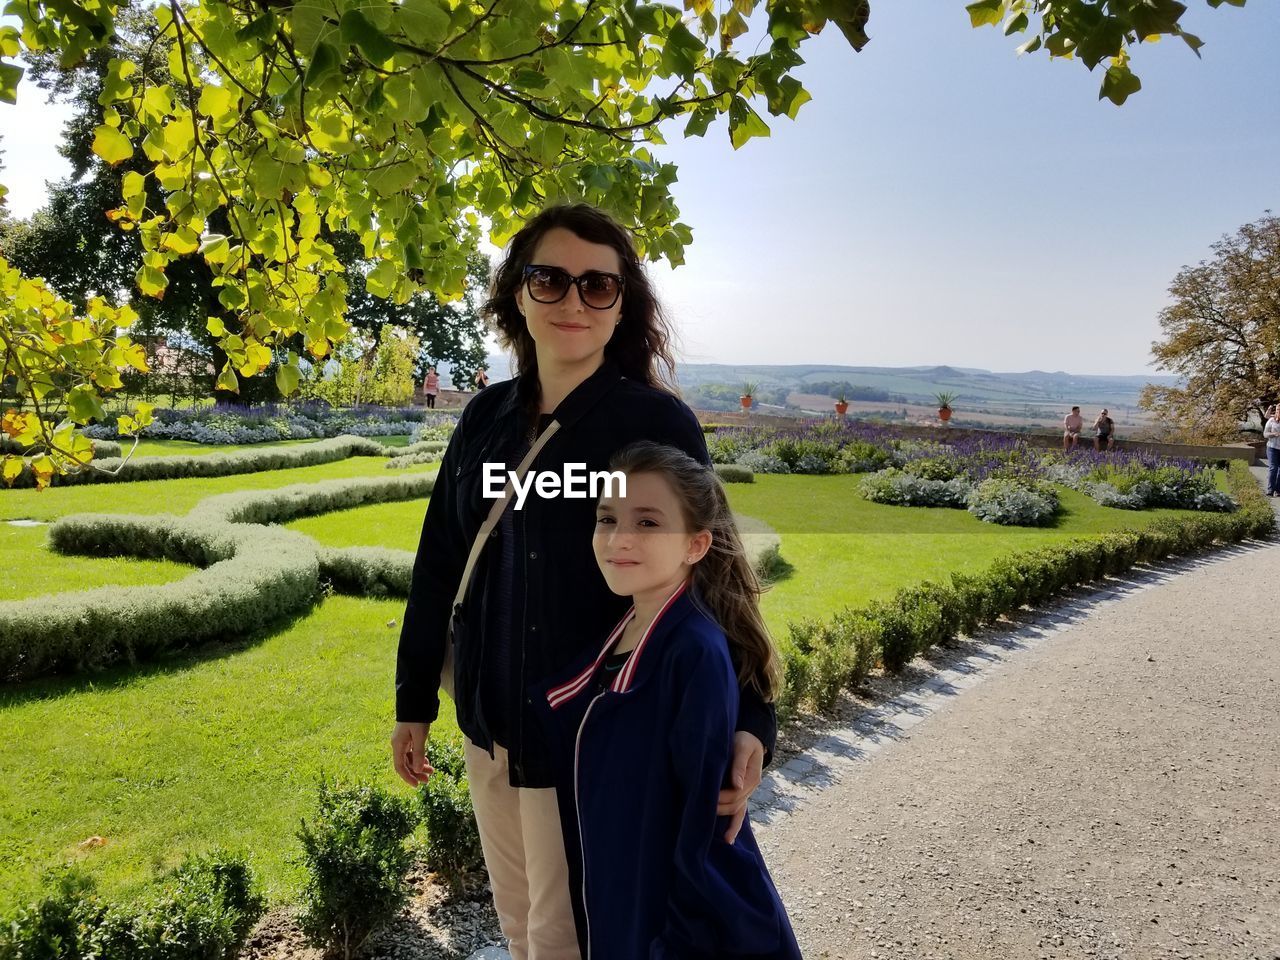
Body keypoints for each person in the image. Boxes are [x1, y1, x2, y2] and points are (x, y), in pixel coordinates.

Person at [391, 203, 775, 960]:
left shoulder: (653, 421)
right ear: (516, 295)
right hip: (491, 727)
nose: (573, 302)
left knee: (580, 937)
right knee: (521, 923)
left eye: (599, 286)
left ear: (621, 303)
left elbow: (718, 568)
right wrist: (413, 702)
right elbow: (441, 560)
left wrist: (752, 719)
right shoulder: (485, 420)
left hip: (596, 736)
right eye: (551, 280)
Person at [532, 442, 800, 960]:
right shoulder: (632, 626)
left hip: (669, 932)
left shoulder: (691, 654)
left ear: (696, 545)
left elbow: (702, 833)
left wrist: (669, 945)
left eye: (649, 523)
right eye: (606, 517)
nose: (619, 538)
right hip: (626, 904)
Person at [1265, 405, 1280, 497]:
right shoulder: (1271, 420)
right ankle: (1270, 490)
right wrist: (1274, 434)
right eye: (1278, 409)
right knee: (1273, 468)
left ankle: (1278, 490)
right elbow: (1265, 434)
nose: (1279, 411)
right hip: (1272, 448)